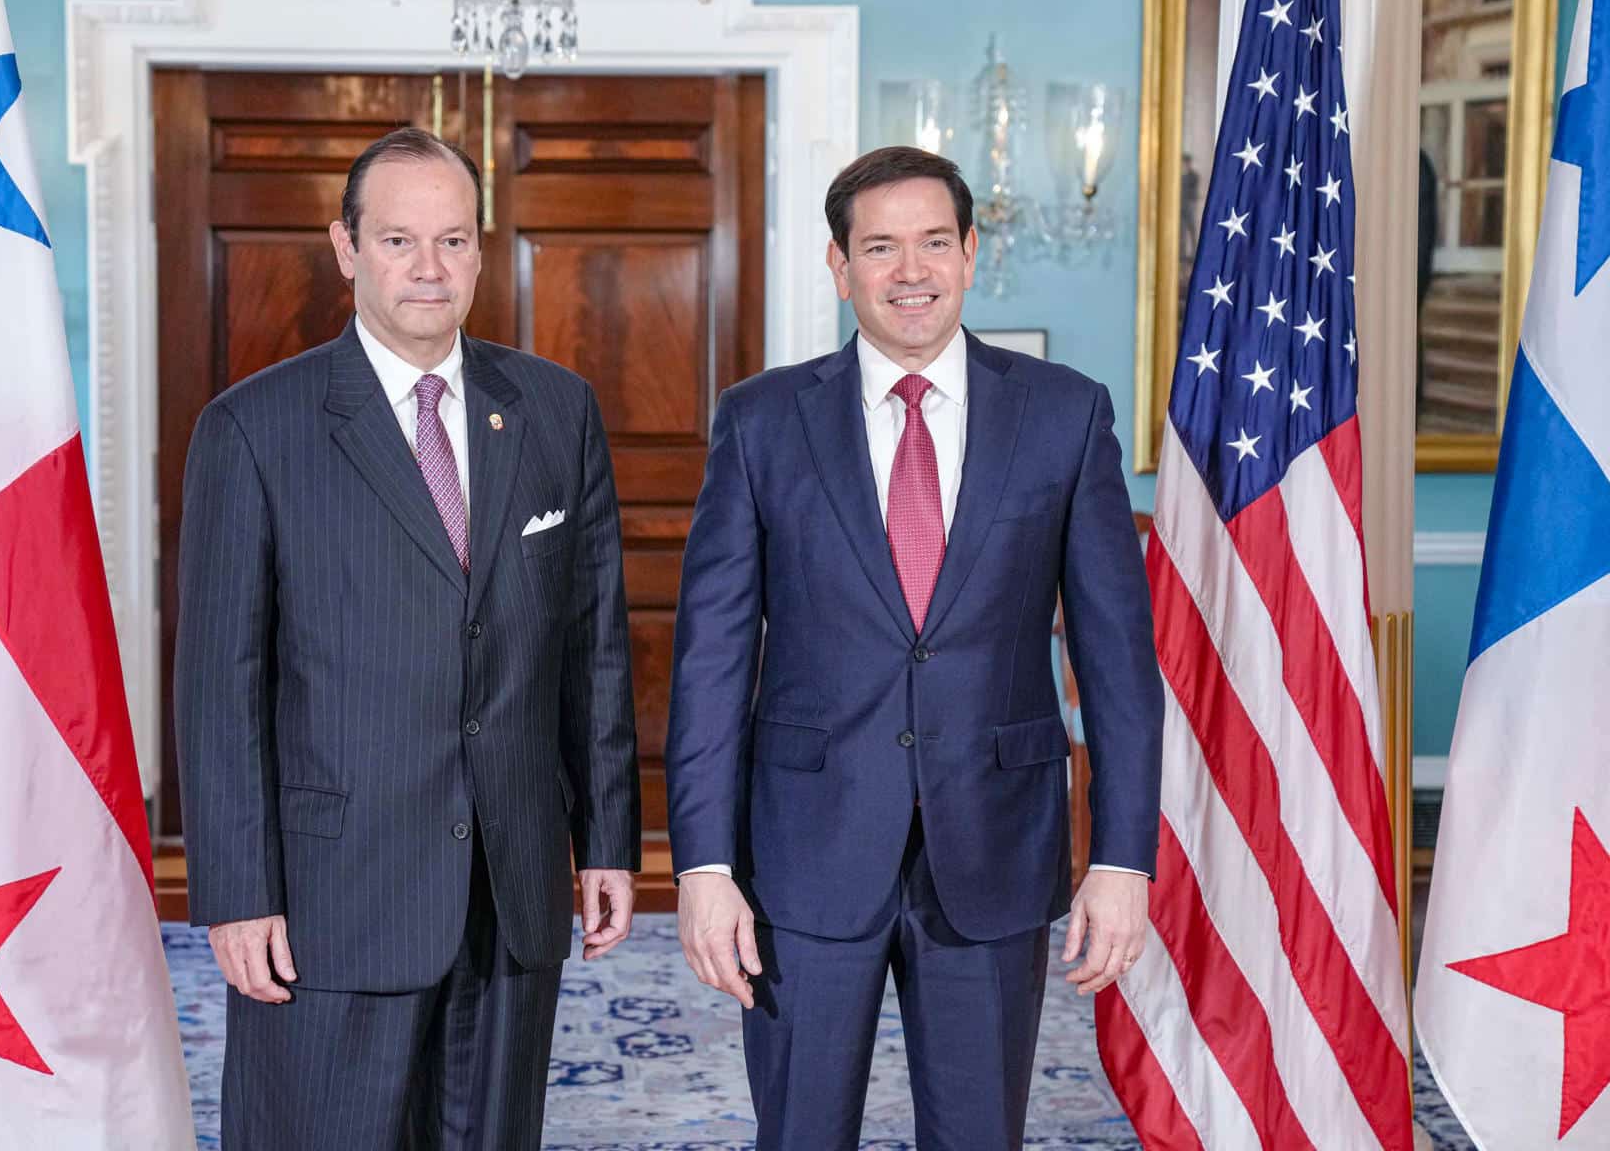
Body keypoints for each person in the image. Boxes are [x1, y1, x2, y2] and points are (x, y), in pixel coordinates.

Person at [664, 145, 1163, 1150]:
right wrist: (703, 863)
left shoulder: (1065, 414)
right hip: (804, 851)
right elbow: (710, 661)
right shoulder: (761, 421)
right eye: (880, 247)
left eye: (934, 242)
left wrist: (1123, 857)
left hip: (995, 845)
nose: (911, 271)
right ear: (839, 266)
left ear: (971, 253)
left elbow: (1117, 660)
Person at [175, 127, 641, 1149]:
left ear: (479, 250)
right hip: (334, 892)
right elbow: (221, 686)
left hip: (510, 885)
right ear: (345, 248)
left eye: (453, 240)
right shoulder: (254, 428)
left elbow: (592, 647)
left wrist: (608, 837)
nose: (430, 267)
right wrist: (238, 892)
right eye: (398, 240)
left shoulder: (556, 410)